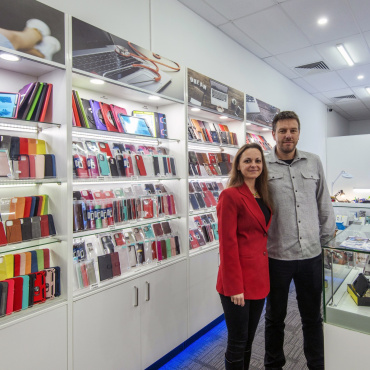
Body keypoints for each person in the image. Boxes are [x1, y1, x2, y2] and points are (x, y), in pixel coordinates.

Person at [264, 111, 335, 370]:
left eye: (292, 130)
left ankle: (317, 365)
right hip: (277, 256)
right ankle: (274, 365)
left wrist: (326, 243)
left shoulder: (313, 162)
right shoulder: (261, 164)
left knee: (312, 318)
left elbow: (323, 203)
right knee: (274, 318)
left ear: (298, 133)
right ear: (273, 134)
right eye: (282, 131)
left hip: (311, 255)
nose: (288, 136)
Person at [216, 143, 273, 369]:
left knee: (249, 340)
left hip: (259, 278)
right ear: (238, 166)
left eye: (258, 161)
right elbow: (227, 244)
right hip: (237, 283)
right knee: (237, 342)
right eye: (247, 161)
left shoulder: (263, 194)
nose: (253, 165)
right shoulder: (230, 195)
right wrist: (234, 286)